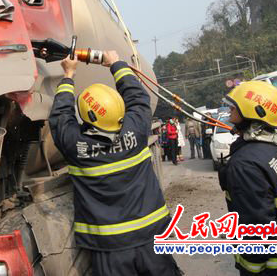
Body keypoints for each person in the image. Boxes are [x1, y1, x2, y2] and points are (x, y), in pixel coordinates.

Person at [48, 51, 180, 275]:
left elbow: (61, 117)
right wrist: (115, 64)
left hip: (110, 249)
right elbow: (138, 99)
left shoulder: (77, 146)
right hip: (152, 237)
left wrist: (68, 74)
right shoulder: (136, 132)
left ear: (86, 117)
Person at [218, 81, 277, 275]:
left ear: (254, 112)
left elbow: (256, 224)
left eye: (234, 107)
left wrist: (251, 266)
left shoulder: (245, 163)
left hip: (274, 267)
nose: (229, 111)